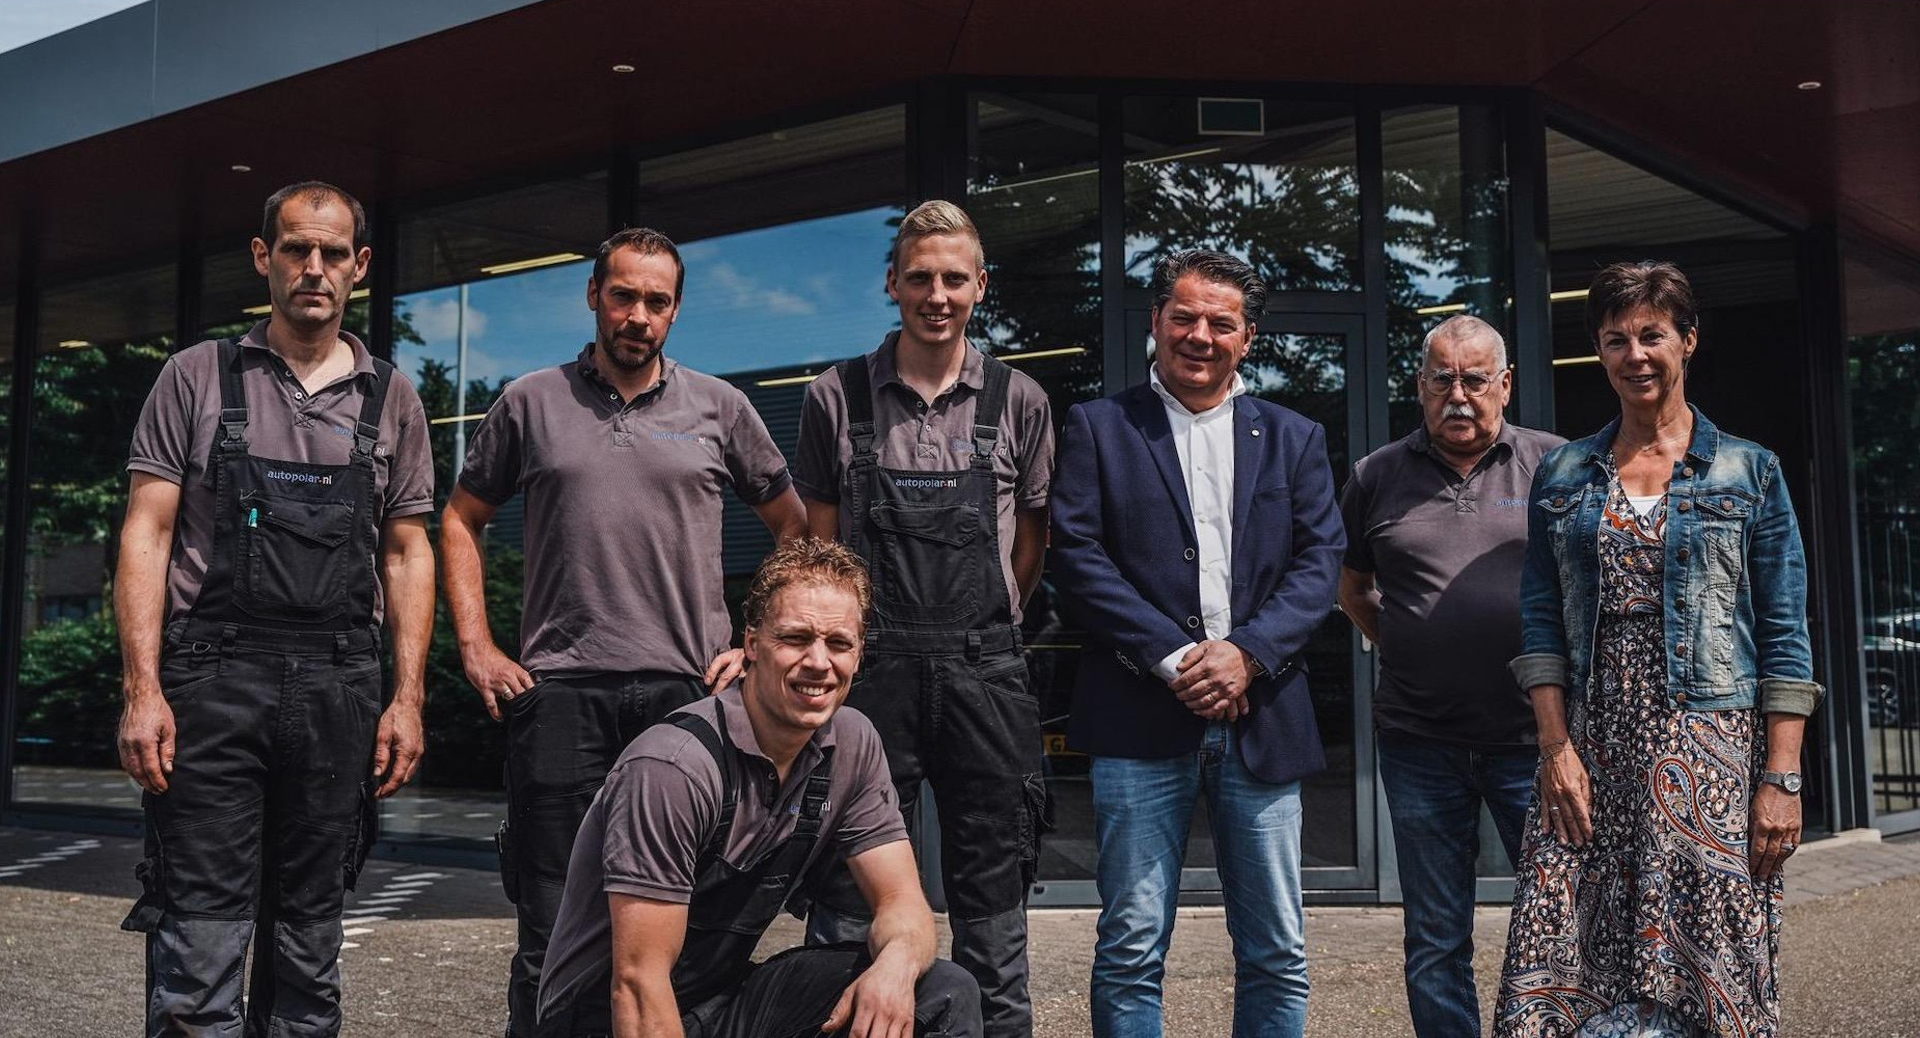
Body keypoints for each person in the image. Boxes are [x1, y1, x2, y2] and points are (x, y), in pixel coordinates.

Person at [441, 226, 807, 1037]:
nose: (638, 315)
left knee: (681, 931)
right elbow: (461, 517)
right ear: (594, 296)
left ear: (675, 311)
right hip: (560, 696)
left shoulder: (720, 408)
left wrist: (753, 646)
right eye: (623, 296)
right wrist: (476, 646)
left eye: (656, 301)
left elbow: (794, 528)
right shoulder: (531, 401)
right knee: (550, 932)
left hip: (688, 699)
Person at [114, 181, 436, 1036]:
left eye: (333, 253)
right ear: (265, 258)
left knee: (308, 949)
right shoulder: (197, 376)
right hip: (211, 683)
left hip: (340, 689)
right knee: (200, 943)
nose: (314, 268)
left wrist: (407, 699)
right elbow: (147, 533)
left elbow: (408, 553)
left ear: (360, 267)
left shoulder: (391, 397)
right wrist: (142, 690)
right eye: (296, 249)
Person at [1494, 261, 1824, 1038]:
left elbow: (1786, 636)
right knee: (1558, 941)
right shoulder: (1565, 473)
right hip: (1590, 751)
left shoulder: (1750, 470)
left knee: (1709, 951)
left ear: (1688, 341)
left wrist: (1781, 779)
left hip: (1709, 753)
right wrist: (1555, 748)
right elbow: (1541, 621)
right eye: (1616, 339)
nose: (1634, 354)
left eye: (1652, 335)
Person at [1050, 248, 1344, 1038]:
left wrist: (1247, 652)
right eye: (1183, 317)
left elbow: (1321, 562)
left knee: (1277, 951)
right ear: (1155, 322)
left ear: (1248, 338)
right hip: (1138, 717)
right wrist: (1177, 657)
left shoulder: (1294, 437)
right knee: (1130, 948)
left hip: (1262, 717)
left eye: (1221, 323)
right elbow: (1076, 557)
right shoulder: (1099, 427)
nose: (1200, 336)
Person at [535, 538, 983, 1038]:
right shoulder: (673, 768)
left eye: (839, 643)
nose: (818, 662)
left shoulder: (852, 744)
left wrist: (896, 967)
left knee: (941, 992)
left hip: (716, 1001)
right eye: (795, 638)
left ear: (859, 654)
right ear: (751, 644)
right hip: (602, 1017)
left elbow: (902, 901)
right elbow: (638, 985)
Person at [791, 200, 1054, 1038]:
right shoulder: (837, 396)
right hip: (871, 678)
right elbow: (818, 552)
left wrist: (990, 624)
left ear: (981, 285)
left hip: (986, 674)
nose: (936, 295)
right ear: (892, 284)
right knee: (846, 894)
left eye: (953, 279)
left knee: (993, 905)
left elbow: (1031, 543)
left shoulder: (1020, 399)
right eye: (919, 278)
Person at [1337, 314, 1565, 1038]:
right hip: (1420, 743)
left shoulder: (1555, 465)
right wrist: (1412, 644)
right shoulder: (1376, 475)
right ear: (1420, 386)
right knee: (1436, 937)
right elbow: (1353, 590)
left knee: (1562, 919)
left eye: (1475, 380)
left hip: (1538, 744)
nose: (1458, 396)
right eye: (1443, 380)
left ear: (1506, 384)